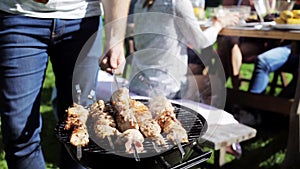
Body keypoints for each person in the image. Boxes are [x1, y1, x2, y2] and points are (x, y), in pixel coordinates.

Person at [0, 0, 130, 169]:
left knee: (81, 129)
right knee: (18, 131)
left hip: (82, 20)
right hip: (19, 16)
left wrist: (115, 38)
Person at [128, 0, 239, 105]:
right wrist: (219, 24)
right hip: (165, 88)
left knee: (195, 68)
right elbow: (200, 42)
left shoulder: (140, 2)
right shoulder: (177, 2)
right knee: (215, 84)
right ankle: (201, 120)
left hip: (138, 83)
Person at [217, 0, 280, 90]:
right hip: (237, 37)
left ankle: (224, 91)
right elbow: (226, 11)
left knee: (229, 47)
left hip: (260, 39)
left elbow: (271, 15)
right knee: (228, 44)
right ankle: (234, 92)